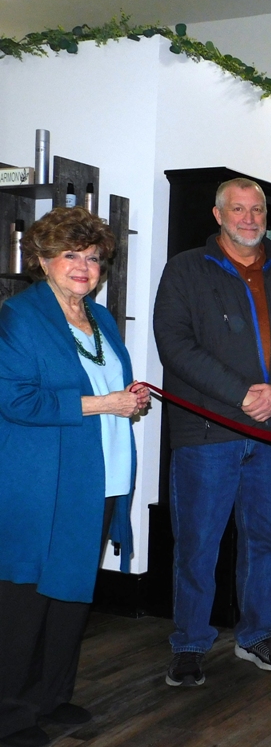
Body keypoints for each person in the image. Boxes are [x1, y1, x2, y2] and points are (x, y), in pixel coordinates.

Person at [153, 178, 271, 688]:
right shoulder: (185, 269)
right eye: (238, 209)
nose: (249, 219)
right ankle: (189, 643)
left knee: (265, 541)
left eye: (257, 210)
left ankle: (256, 635)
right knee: (198, 544)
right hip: (209, 430)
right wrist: (243, 394)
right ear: (218, 215)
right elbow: (174, 344)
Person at [0, 207, 148, 747]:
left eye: (93, 257)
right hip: (43, 480)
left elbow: (107, 386)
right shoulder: (19, 316)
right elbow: (15, 400)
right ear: (43, 260)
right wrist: (102, 403)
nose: (84, 267)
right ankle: (9, 716)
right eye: (71, 255)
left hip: (99, 476)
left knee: (72, 591)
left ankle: (52, 696)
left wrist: (126, 398)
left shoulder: (101, 319)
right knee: (27, 599)